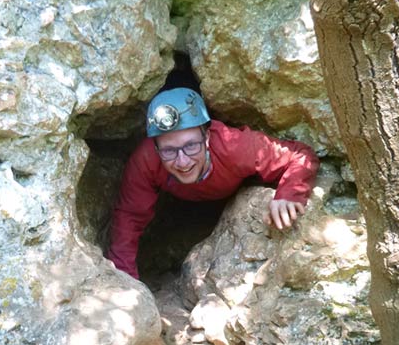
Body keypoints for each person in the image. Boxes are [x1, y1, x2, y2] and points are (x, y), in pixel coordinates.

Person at [107, 87, 320, 279]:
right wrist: (125, 280)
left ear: (207, 138)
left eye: (191, 146)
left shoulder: (234, 147)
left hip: (232, 190)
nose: (182, 161)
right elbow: (129, 218)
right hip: (188, 205)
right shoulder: (146, 160)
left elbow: (300, 155)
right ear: (155, 148)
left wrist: (289, 193)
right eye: (169, 150)